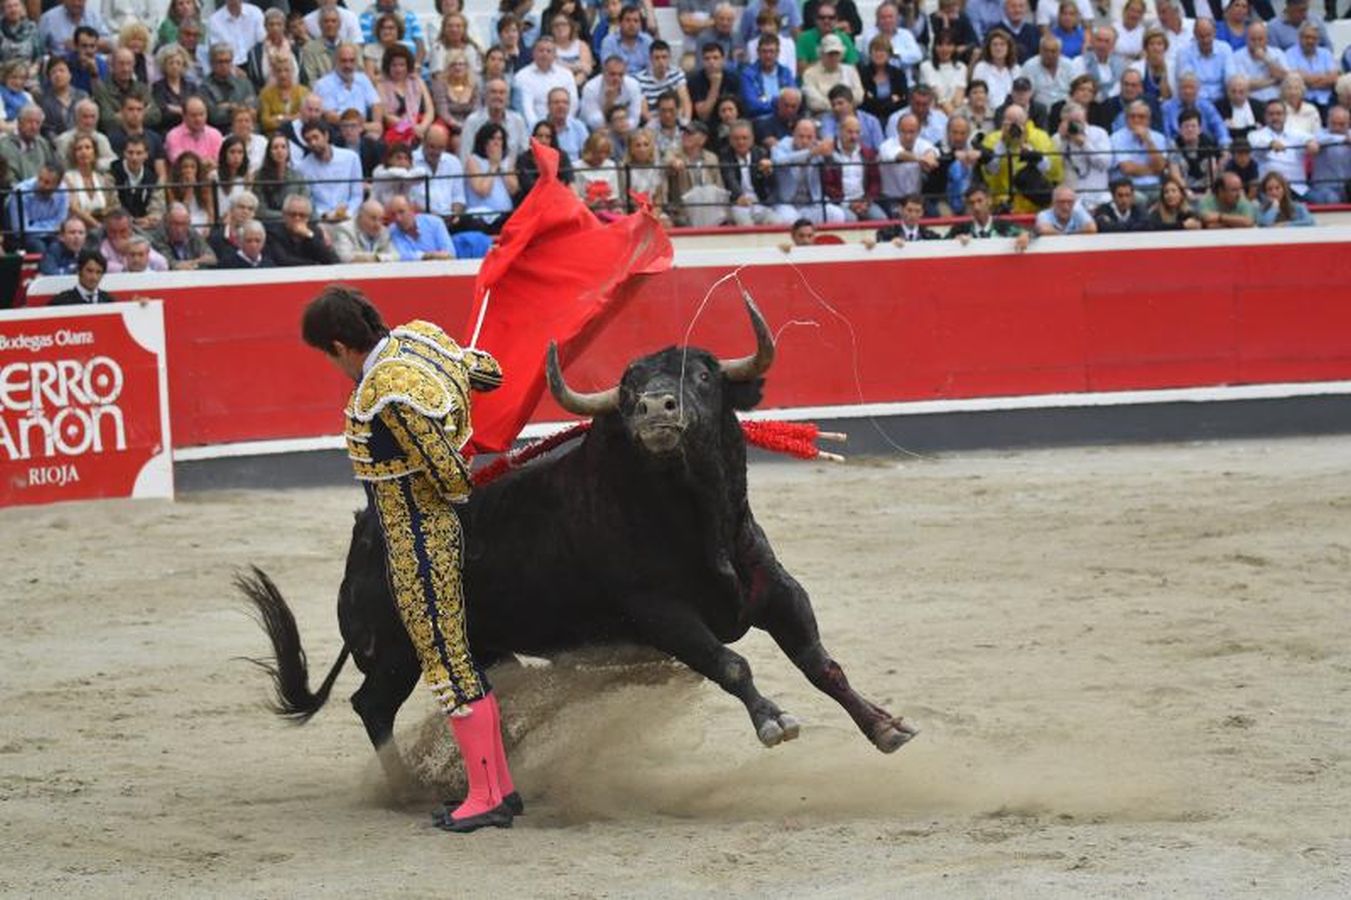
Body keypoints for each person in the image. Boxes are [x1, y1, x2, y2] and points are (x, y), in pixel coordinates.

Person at [300, 286, 517, 832]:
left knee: (448, 665)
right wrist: (453, 384)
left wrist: (446, 468)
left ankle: (488, 798)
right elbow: (490, 373)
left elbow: (448, 474)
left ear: (339, 345)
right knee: (459, 661)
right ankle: (499, 789)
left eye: (327, 357)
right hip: (434, 527)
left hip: (420, 537)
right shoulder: (422, 337)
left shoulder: (385, 391)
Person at [770, 117, 842, 224]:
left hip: (812, 204)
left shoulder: (817, 146)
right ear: (793, 134)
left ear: (815, 137)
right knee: (788, 220)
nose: (804, 141)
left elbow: (839, 164)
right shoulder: (782, 145)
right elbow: (779, 161)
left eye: (809, 137)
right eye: (801, 136)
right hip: (786, 203)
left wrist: (829, 154)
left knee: (836, 214)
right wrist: (810, 153)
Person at [294, 119, 363, 223]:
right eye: (308, 140)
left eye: (315, 137)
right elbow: (308, 200)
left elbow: (357, 195)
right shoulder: (302, 167)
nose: (313, 143)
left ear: (326, 136)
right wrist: (324, 215)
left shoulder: (351, 158)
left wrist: (347, 213)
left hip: (349, 218)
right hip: (321, 220)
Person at [1248, 99, 1317, 197]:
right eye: (1271, 114)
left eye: (1279, 114)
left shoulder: (1296, 133)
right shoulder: (1254, 135)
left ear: (1285, 116)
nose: (1275, 117)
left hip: (1298, 190)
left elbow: (1311, 140)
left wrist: (1312, 143)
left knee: (1328, 198)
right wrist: (1271, 144)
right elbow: (1258, 144)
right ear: (1265, 117)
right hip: (1270, 191)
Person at [1054, 101, 1111, 209]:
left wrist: (1085, 145)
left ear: (1085, 118)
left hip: (1099, 196)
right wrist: (1062, 141)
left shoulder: (1099, 133)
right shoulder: (1057, 138)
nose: (1077, 126)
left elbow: (1105, 164)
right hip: (1071, 199)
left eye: (1079, 122)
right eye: (1072, 122)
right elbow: (1054, 171)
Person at [463, 122, 518, 231]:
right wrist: (493, 166)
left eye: (500, 139)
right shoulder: (473, 160)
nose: (497, 143)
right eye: (493, 139)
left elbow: (514, 189)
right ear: (484, 141)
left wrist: (501, 167)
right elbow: (482, 191)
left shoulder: (507, 161)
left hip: (505, 216)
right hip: (482, 219)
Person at [719, 117, 774, 224]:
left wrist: (768, 172)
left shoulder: (761, 153)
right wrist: (739, 196)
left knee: (776, 222)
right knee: (745, 224)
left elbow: (771, 183)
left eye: (745, 138)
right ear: (730, 139)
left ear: (752, 139)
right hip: (737, 203)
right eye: (736, 138)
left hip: (759, 203)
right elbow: (729, 177)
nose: (741, 142)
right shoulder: (725, 154)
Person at [946, 183, 1030, 250]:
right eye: (971, 203)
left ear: (989, 201)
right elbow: (940, 242)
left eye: (980, 201)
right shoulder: (960, 229)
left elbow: (1033, 231)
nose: (976, 207)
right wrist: (953, 242)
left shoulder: (1003, 226)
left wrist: (1026, 234)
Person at [266, 193, 339, 265]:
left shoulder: (314, 232)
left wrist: (310, 236)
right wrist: (315, 264)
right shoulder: (273, 233)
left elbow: (332, 260)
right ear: (284, 215)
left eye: (302, 215)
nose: (297, 218)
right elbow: (283, 260)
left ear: (308, 218)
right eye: (293, 214)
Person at [109, 134, 164, 229]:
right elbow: (112, 205)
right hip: (119, 226)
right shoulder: (111, 174)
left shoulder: (153, 178)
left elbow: (157, 209)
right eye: (130, 153)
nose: (134, 158)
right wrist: (129, 221)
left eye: (139, 153)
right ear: (124, 153)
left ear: (146, 154)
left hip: (147, 227)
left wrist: (148, 220)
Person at [62, 133, 113, 229]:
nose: (83, 152)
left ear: (95, 152)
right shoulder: (67, 178)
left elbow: (112, 206)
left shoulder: (104, 179)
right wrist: (98, 225)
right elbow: (74, 208)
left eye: (88, 147)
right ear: (74, 154)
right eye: (79, 149)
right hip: (78, 228)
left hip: (104, 225)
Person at [255, 132, 310, 220]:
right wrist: (287, 216)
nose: (279, 151)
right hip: (271, 224)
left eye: (283, 147)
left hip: (296, 221)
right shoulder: (259, 176)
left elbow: (306, 203)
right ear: (269, 152)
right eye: (275, 147)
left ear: (288, 151)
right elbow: (260, 211)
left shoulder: (298, 176)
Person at [150, 199, 218, 269]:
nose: (180, 229)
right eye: (175, 224)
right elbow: (171, 264)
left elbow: (212, 258)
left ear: (189, 223)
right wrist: (197, 262)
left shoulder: (191, 232)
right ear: (167, 222)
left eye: (183, 224)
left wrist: (194, 262)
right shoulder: (158, 237)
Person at [0, 104, 57, 184]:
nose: (34, 127)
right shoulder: (4, 146)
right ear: (19, 123)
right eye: (30, 122)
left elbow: (52, 172)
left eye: (38, 123)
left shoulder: (43, 144)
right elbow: (9, 181)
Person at [387, 194, 456, 259]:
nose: (398, 218)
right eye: (393, 214)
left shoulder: (435, 223)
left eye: (402, 212)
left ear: (412, 209)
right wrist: (426, 256)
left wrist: (425, 256)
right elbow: (400, 256)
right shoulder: (392, 230)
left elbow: (450, 254)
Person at [333, 198, 399, 262]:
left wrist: (376, 258)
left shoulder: (383, 232)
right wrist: (377, 258)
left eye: (380, 219)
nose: (378, 224)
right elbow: (344, 257)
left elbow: (395, 256)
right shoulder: (344, 229)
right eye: (373, 218)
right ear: (360, 217)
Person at [1308, 104, 1350, 204]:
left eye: (1341, 124)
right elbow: (1319, 140)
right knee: (1332, 199)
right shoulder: (1320, 134)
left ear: (1349, 123)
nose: (1337, 128)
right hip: (1324, 187)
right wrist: (1343, 139)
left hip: (1348, 186)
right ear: (1328, 122)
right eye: (1333, 124)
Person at [49, 249, 119, 305]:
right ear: (79, 271)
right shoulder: (61, 302)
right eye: (89, 271)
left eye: (99, 272)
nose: (94, 277)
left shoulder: (109, 301)